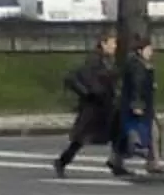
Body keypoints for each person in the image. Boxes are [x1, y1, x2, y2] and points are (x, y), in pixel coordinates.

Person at [54, 33, 125, 177]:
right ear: (103, 44)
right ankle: (62, 161)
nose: (115, 46)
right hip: (94, 106)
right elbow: (90, 78)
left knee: (117, 133)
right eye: (113, 43)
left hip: (107, 105)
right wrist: (93, 92)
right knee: (81, 138)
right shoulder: (94, 60)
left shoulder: (107, 60)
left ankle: (116, 163)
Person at [118, 35, 162, 174]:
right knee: (152, 133)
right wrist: (137, 104)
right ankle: (152, 163)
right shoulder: (138, 66)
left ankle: (117, 161)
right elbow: (137, 85)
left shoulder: (139, 64)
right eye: (149, 49)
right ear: (140, 50)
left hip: (140, 105)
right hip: (139, 106)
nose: (151, 52)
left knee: (134, 134)